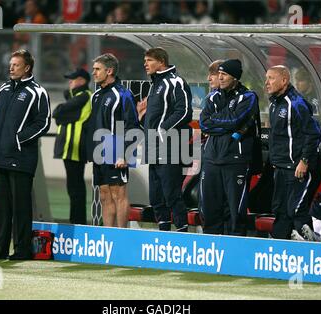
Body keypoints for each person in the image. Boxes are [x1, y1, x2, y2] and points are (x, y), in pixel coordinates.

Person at [0, 49, 51, 260]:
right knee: (0, 207)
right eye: (10, 64)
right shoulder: (4, 88)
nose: (11, 67)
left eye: (15, 65)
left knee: (20, 206)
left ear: (27, 68)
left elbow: (43, 122)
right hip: (0, 156)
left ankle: (22, 250)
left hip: (21, 157)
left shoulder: (38, 92)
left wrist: (18, 139)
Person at [199, 59, 261, 236]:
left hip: (236, 160)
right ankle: (210, 249)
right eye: (219, 74)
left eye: (224, 74)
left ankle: (235, 251)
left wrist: (217, 123)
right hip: (211, 158)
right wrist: (226, 127)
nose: (220, 77)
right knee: (209, 208)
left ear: (234, 77)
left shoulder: (248, 97)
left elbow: (235, 120)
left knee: (235, 211)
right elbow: (204, 123)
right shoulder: (212, 97)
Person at [137, 47, 193, 232]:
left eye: (149, 60)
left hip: (170, 147)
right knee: (156, 196)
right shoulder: (155, 84)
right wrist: (142, 117)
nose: (145, 64)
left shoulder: (175, 82)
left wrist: (162, 129)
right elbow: (156, 118)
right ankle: (163, 234)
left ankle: (182, 233)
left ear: (161, 61)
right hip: (153, 146)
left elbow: (184, 111)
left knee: (171, 193)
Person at [265, 65, 321, 240]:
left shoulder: (296, 103)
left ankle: (312, 252)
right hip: (280, 167)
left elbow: (313, 134)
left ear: (284, 80)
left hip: (297, 167)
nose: (267, 83)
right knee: (280, 210)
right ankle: (278, 252)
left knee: (296, 210)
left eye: (271, 78)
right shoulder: (274, 103)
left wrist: (304, 161)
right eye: (266, 78)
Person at [89, 53, 139, 228]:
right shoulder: (96, 95)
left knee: (119, 193)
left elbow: (133, 125)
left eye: (97, 69)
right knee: (104, 194)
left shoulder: (122, 94)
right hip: (99, 150)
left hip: (116, 149)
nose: (93, 73)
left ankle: (121, 237)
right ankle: (108, 236)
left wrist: (125, 154)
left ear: (109, 71)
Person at [53, 68, 92, 225]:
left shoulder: (84, 96)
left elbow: (58, 111)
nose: (70, 82)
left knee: (75, 188)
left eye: (73, 79)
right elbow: (59, 117)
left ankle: (77, 222)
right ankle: (76, 220)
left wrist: (61, 113)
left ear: (82, 81)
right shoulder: (76, 97)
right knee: (74, 187)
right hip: (71, 147)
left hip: (74, 146)